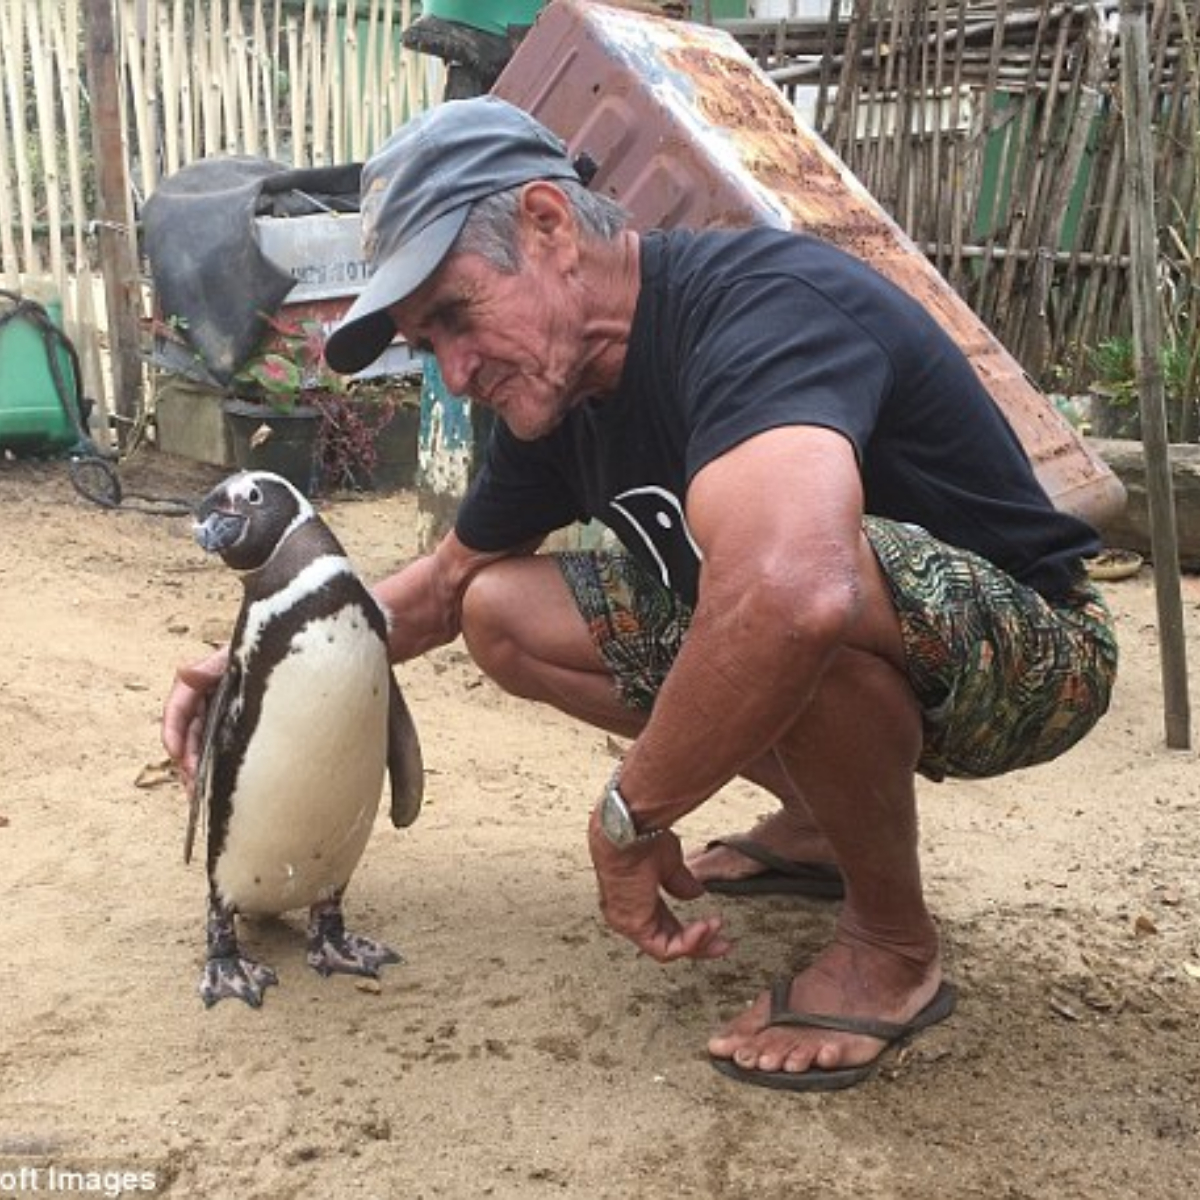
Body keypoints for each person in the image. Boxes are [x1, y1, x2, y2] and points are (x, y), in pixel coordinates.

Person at [162, 96, 1118, 1093]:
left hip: (1033, 650)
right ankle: (815, 823)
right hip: (847, 621)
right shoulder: (560, 394)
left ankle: (891, 947)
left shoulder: (760, 307)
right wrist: (251, 668)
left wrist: (632, 813)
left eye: (454, 314)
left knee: (785, 584)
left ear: (548, 228)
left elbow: (797, 593)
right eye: (425, 343)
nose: (452, 368)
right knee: (503, 609)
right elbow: (444, 591)